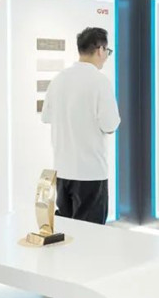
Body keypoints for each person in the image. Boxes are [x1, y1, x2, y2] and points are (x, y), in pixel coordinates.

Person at [42, 27, 120, 225]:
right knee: (91, 235)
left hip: (62, 171)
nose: (106, 56)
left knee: (67, 230)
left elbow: (46, 117)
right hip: (90, 173)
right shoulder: (100, 82)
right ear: (100, 50)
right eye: (107, 51)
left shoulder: (59, 79)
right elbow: (110, 125)